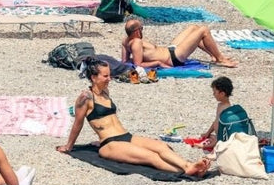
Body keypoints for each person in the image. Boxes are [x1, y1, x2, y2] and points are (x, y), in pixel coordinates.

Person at [57, 60, 210, 175]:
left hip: (126, 136)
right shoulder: (85, 97)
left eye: (109, 75)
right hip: (110, 144)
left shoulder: (105, 92)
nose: (109, 78)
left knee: (161, 146)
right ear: (93, 77)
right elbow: (78, 123)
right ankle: (186, 170)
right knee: (151, 157)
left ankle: (187, 165)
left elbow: (107, 120)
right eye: (105, 76)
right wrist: (69, 146)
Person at [123, 18, 236, 69]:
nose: (142, 30)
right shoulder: (137, 42)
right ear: (137, 31)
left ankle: (213, 55)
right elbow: (138, 64)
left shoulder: (125, 41)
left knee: (194, 28)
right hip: (173, 58)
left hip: (170, 50)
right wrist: (158, 63)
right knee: (204, 30)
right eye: (141, 28)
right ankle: (220, 59)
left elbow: (124, 61)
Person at [200, 77, 253, 148]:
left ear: (222, 94)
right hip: (219, 136)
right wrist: (208, 133)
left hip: (223, 138)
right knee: (209, 138)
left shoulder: (226, 110)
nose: (213, 94)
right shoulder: (220, 105)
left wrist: (206, 146)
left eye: (214, 92)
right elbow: (216, 121)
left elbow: (223, 133)